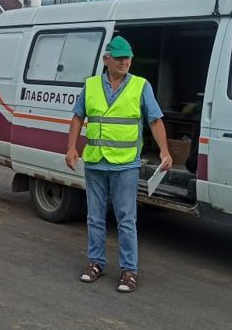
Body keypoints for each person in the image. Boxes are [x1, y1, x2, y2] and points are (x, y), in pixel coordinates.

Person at [65, 35, 172, 293]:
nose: (125, 61)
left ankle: (128, 271)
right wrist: (71, 148)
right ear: (107, 59)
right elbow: (78, 117)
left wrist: (165, 151)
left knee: (126, 219)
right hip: (96, 163)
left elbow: (155, 120)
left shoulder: (141, 86)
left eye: (128, 57)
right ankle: (96, 263)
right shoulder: (90, 86)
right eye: (120, 57)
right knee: (95, 217)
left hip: (126, 165)